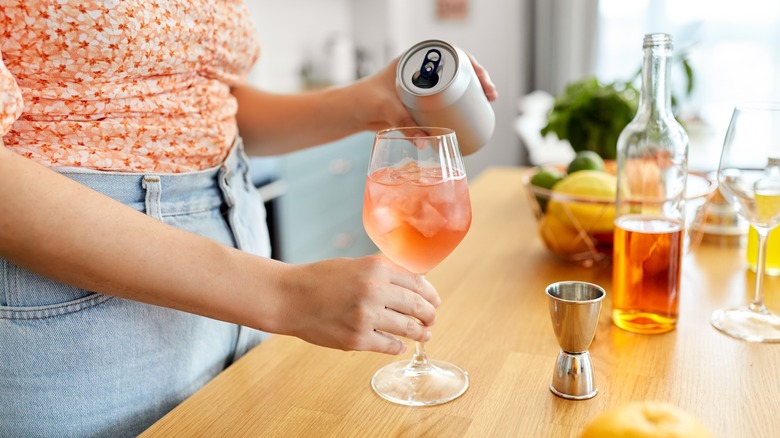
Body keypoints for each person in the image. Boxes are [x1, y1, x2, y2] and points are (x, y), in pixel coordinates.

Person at [0, 1, 498, 436]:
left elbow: (205, 105)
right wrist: (283, 295)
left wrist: (366, 100)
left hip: (234, 262)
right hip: (78, 306)